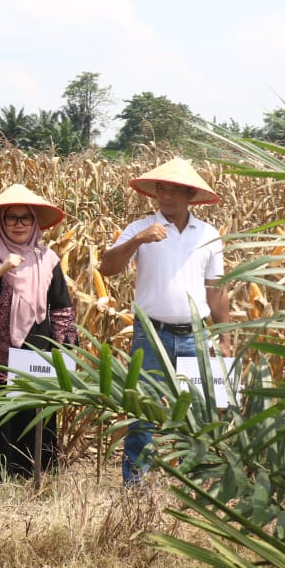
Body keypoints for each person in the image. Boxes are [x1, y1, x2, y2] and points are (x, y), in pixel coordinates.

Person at [98, 158, 232, 484]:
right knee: (141, 409)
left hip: (195, 335)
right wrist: (138, 241)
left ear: (190, 195)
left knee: (197, 410)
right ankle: (135, 484)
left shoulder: (208, 234)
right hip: (150, 333)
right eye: (162, 190)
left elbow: (216, 289)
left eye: (174, 190)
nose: (167, 196)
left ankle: (193, 482)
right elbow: (107, 268)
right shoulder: (139, 229)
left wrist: (225, 337)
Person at [0, 184, 76, 482]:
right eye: (11, 218)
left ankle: (33, 479)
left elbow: (62, 308)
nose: (18, 224)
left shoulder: (48, 258)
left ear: (34, 222)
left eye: (25, 218)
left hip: (35, 352)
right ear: (1, 222)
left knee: (32, 418)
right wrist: (0, 270)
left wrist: (65, 354)